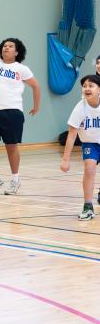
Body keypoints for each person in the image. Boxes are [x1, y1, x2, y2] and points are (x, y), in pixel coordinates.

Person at [0, 19, 40, 195]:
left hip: (13, 112)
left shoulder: (21, 69)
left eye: (10, 46)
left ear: (17, 52)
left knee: (11, 146)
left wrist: (36, 106)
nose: (6, 48)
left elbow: (36, 86)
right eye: (4, 46)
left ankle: (15, 180)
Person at [60, 74, 100, 220]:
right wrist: (65, 159)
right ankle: (88, 206)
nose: (87, 88)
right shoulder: (80, 108)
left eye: (91, 86)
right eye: (84, 86)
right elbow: (71, 135)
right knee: (89, 169)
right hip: (90, 143)